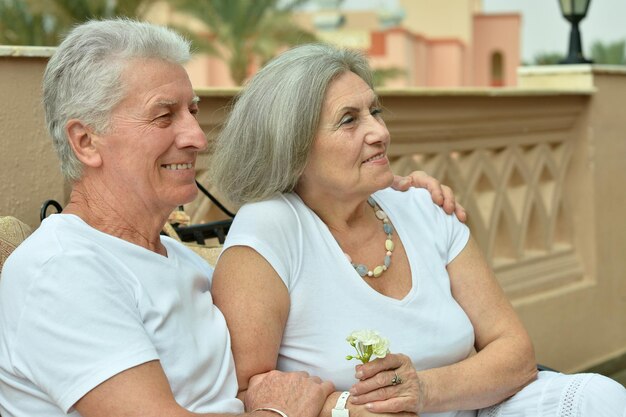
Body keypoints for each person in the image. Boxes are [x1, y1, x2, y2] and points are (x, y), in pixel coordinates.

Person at [0, 20, 462, 417]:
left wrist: (391, 194)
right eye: (165, 116)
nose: (197, 136)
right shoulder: (62, 270)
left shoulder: (184, 263)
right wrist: (281, 409)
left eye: (194, 111)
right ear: (85, 142)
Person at [210, 43, 626, 417]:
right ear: (292, 147)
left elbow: (515, 354)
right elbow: (251, 394)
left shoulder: (423, 206)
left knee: (601, 398)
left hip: (476, 407)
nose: (380, 133)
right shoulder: (271, 230)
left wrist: (422, 390)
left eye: (375, 111)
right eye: (349, 120)